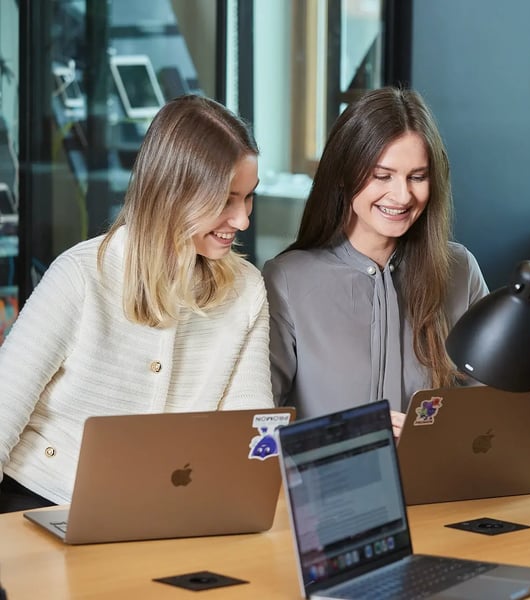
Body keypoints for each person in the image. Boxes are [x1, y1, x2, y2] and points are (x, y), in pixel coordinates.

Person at [0, 95, 273, 513]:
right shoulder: (79, 276)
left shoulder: (246, 289)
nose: (242, 221)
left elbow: (250, 440)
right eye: (226, 201)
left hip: (164, 513)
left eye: (249, 197)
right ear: (173, 194)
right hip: (42, 503)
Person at [264, 87, 488, 432]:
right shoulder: (287, 279)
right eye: (382, 176)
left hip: (437, 482)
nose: (402, 196)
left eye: (417, 177)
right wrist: (356, 431)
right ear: (344, 175)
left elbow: (490, 411)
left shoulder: (460, 270)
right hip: (333, 480)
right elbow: (262, 425)